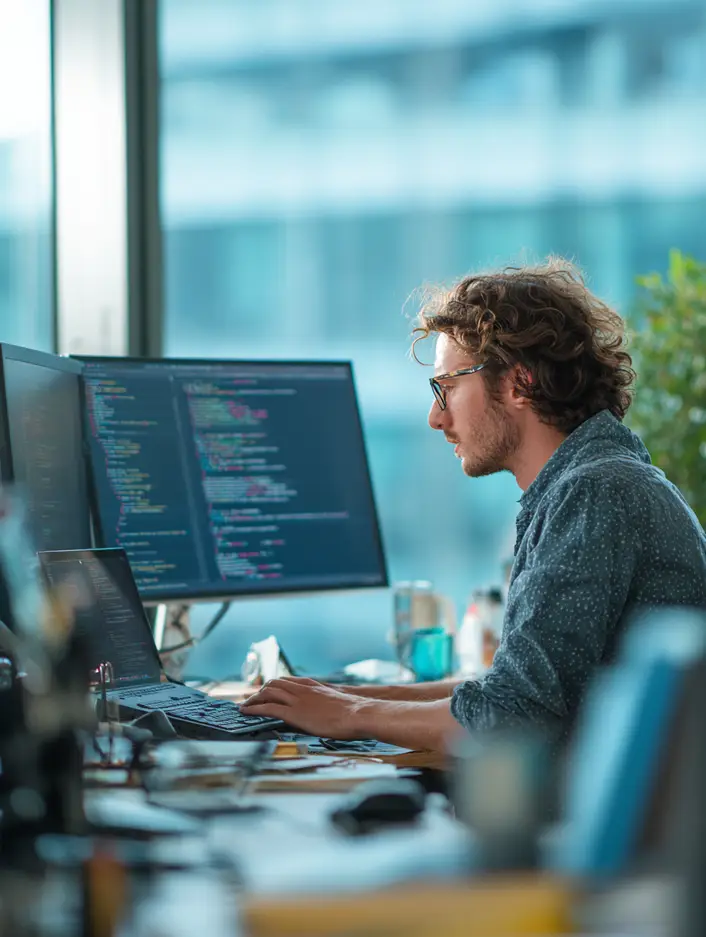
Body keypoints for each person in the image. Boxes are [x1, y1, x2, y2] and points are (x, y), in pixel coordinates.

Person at [241, 258, 706, 750]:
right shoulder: (596, 481)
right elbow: (506, 691)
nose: (434, 417)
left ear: (519, 383)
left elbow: (514, 715)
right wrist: (338, 696)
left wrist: (354, 713)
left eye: (447, 387)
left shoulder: (594, 493)